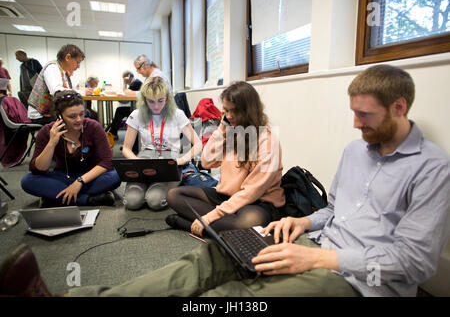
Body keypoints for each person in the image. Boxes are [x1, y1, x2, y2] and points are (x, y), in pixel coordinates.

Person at [2, 65, 449, 297]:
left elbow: (415, 265)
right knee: (206, 260)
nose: (354, 125)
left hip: (356, 280)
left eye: (364, 115)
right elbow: (334, 210)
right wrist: (306, 225)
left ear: (399, 107)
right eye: (352, 113)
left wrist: (321, 259)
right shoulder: (356, 152)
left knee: (238, 294)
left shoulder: (431, 170)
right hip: (310, 243)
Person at [166, 81, 285, 237]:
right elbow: (207, 161)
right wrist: (222, 127)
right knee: (174, 195)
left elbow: (251, 192)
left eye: (233, 111)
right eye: (226, 111)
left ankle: (188, 224)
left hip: (258, 201)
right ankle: (218, 227)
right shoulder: (232, 130)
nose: (229, 116)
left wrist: (210, 216)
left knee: (246, 224)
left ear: (248, 110)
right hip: (226, 197)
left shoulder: (268, 141)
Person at [21, 89, 121, 207]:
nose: (79, 119)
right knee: (27, 181)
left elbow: (107, 162)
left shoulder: (93, 127)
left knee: (116, 175)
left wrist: (79, 182)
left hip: (89, 177)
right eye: (72, 116)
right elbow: (38, 169)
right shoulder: (47, 131)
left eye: (82, 114)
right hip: (63, 176)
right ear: (60, 116)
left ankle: (55, 198)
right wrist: (51, 143)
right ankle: (88, 199)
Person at [121, 76, 202, 211]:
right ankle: (149, 187)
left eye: (161, 100)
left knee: (154, 201)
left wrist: (182, 160)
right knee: (132, 201)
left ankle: (168, 186)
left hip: (169, 160)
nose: (156, 106)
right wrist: (136, 162)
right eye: (151, 101)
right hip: (145, 159)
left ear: (167, 98)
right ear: (144, 100)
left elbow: (198, 144)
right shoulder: (137, 114)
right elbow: (126, 148)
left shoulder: (177, 114)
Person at [27, 44, 85, 125]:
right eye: (77, 62)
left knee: (83, 114)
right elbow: (57, 91)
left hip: (48, 112)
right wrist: (78, 92)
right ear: (68, 57)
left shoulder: (62, 71)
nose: (78, 67)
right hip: (40, 115)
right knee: (82, 117)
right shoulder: (52, 68)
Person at [106, 71, 142, 139]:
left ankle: (112, 133)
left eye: (124, 79)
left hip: (138, 109)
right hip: (137, 107)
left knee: (120, 111)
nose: (124, 80)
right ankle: (113, 132)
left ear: (129, 77)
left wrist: (124, 83)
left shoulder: (136, 83)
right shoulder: (135, 83)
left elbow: (125, 97)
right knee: (120, 110)